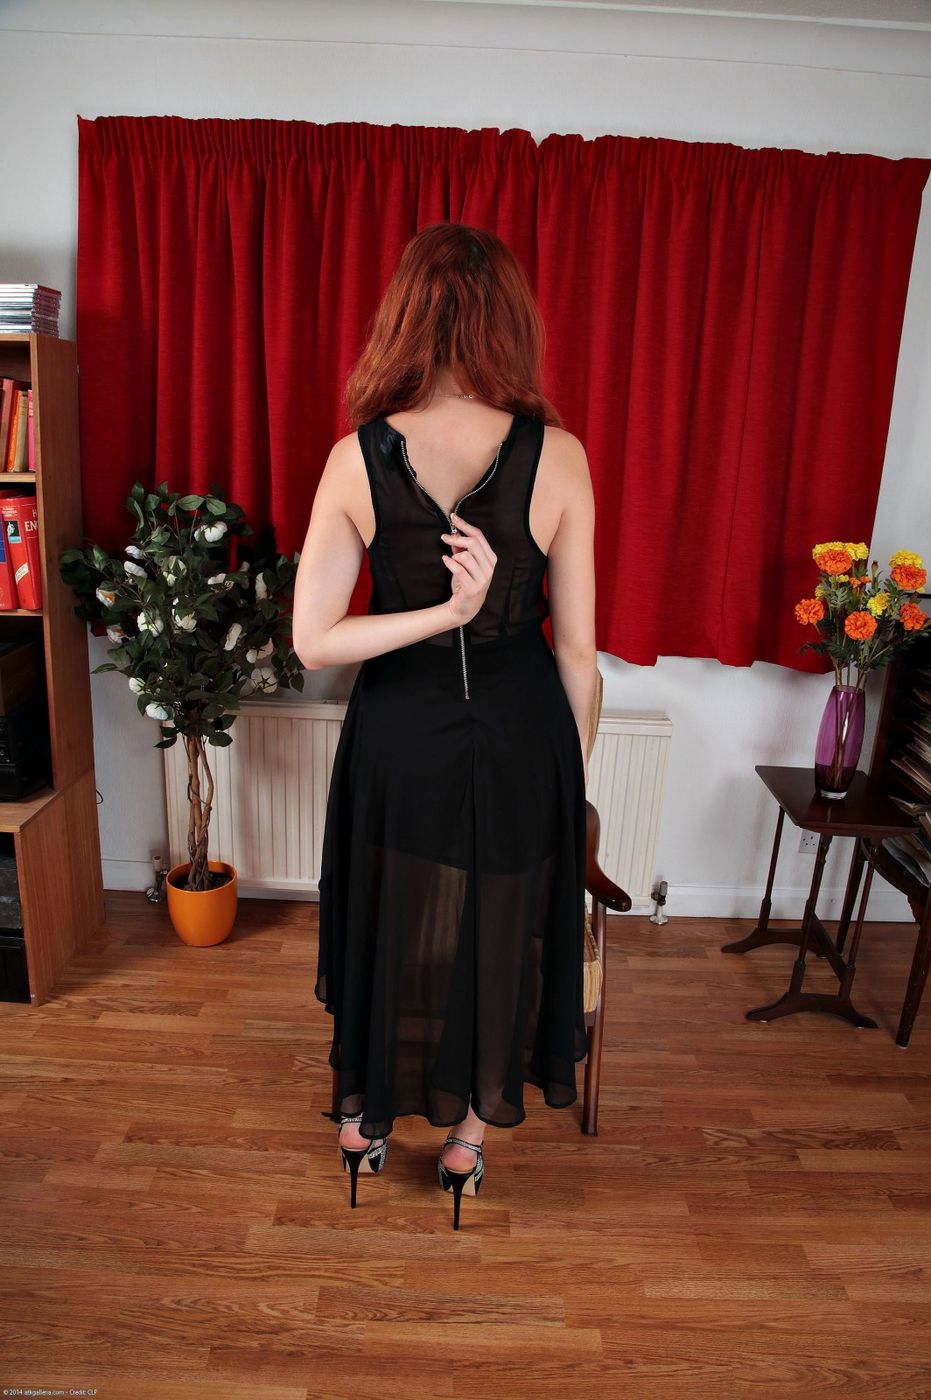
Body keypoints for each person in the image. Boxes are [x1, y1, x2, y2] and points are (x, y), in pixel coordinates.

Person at [292, 222, 597, 1228]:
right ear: (512, 320)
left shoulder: (354, 460)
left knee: (387, 912)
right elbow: (578, 656)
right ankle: (468, 1135)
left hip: (399, 731)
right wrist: (569, 782)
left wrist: (433, 615)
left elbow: (316, 641)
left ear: (403, 317)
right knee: (500, 928)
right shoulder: (559, 458)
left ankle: (363, 1119)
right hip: (523, 734)